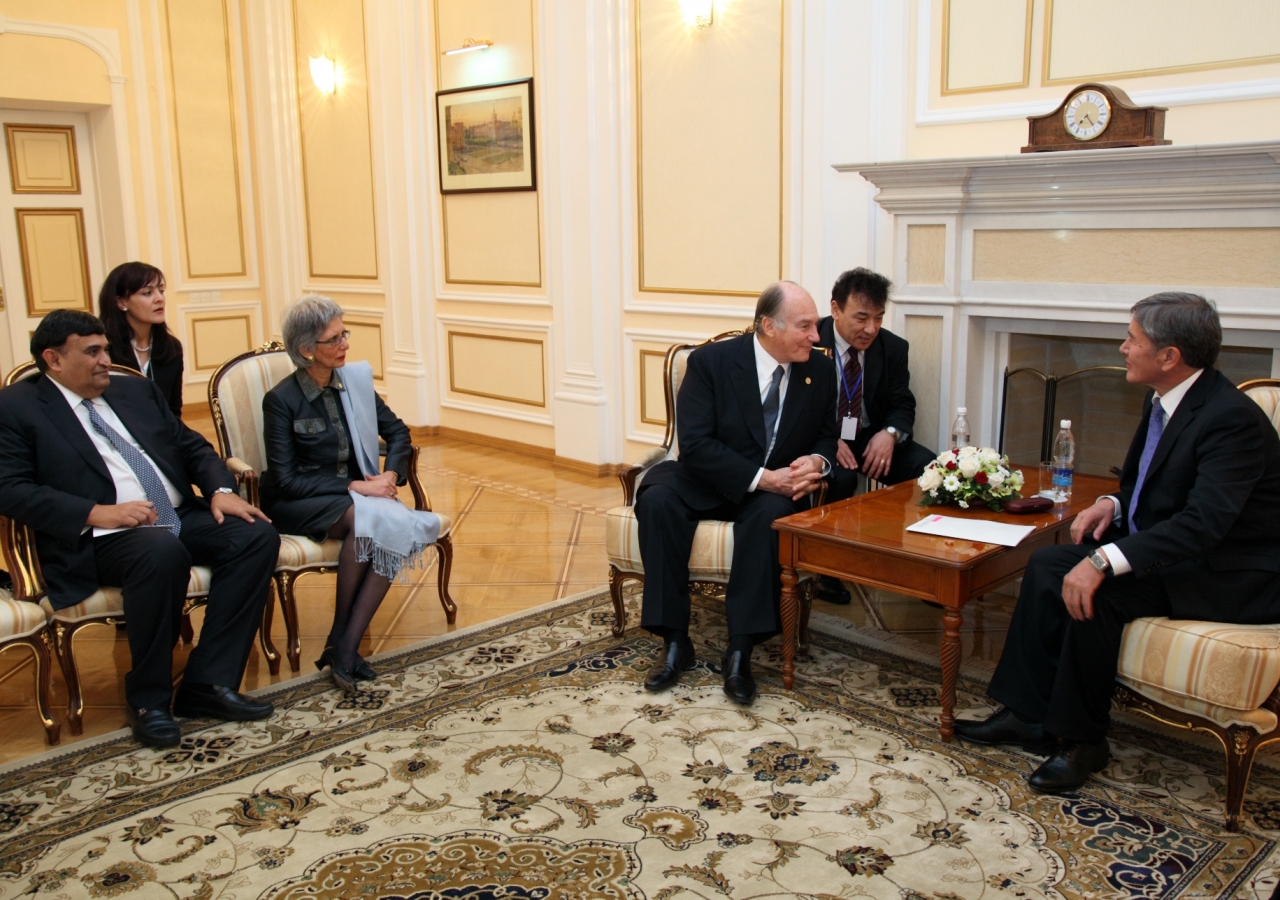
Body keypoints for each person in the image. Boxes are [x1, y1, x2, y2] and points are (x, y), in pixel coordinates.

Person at [955, 292, 1280, 793]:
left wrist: (1105, 560)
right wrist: (1113, 502)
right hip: (1178, 552)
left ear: (1169, 356)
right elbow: (1151, 483)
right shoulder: (1169, 399)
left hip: (1230, 572)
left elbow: (1204, 523)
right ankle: (1027, 715)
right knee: (1046, 566)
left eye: (1133, 339)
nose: (1123, 348)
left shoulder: (1229, 418)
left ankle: (1083, 741)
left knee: (1097, 593)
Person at [0, 310, 279, 748]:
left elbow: (191, 445)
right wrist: (97, 512)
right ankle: (149, 700)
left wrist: (221, 489)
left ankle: (207, 683)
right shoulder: (17, 407)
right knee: (158, 551)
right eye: (91, 352)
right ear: (53, 359)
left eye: (106, 349)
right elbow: (10, 490)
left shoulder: (133, 390)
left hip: (174, 513)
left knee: (255, 534)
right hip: (97, 536)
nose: (105, 360)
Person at [635, 281, 838, 704]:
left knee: (769, 519)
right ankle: (675, 642)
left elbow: (826, 435)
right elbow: (695, 445)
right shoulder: (711, 362)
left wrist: (818, 462)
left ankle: (740, 650)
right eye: (805, 327)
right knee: (657, 499)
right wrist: (764, 477)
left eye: (815, 327)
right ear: (769, 326)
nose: (816, 337)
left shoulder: (818, 370)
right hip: (708, 476)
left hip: (770, 491)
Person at [260, 295, 439, 696]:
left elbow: (398, 432)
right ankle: (344, 646)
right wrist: (356, 486)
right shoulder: (281, 401)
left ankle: (342, 646)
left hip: (357, 500)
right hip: (296, 502)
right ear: (307, 351)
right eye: (334, 339)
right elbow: (285, 480)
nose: (345, 344)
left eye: (345, 334)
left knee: (377, 524)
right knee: (371, 520)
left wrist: (388, 473)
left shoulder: (353, 383)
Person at [812, 267, 936, 604]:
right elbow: (796, 406)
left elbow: (902, 403)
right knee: (841, 478)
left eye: (879, 318)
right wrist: (827, 439)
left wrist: (890, 433)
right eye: (862, 317)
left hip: (868, 435)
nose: (871, 329)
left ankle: (927, 568)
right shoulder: (810, 342)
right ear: (836, 309)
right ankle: (828, 571)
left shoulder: (893, 348)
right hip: (823, 436)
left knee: (928, 467)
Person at [99, 262, 184, 418]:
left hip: (160, 434)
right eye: (147, 293)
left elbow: (173, 410)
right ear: (121, 302)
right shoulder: (103, 348)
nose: (159, 299)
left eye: (161, 290)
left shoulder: (171, 347)